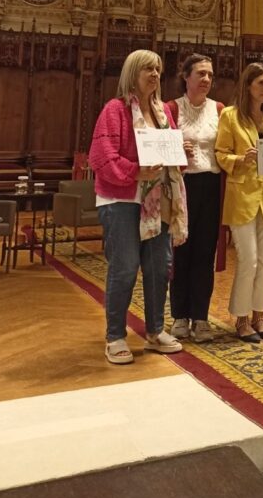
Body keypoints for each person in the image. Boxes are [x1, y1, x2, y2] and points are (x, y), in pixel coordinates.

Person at [88, 50, 187, 365]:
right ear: (132, 73)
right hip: (121, 200)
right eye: (148, 69)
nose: (155, 74)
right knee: (126, 267)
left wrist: (179, 151)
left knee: (159, 267)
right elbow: (101, 158)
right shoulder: (115, 109)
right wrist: (136, 172)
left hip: (157, 199)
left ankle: (155, 331)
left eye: (158, 69)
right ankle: (115, 336)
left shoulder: (163, 112)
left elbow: (169, 158)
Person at [215, 62, 263, 343]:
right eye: (261, 83)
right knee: (249, 260)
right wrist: (240, 159)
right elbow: (220, 153)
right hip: (242, 195)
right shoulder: (231, 115)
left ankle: (259, 316)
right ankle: (241, 318)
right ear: (248, 85)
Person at [165, 54, 223, 344]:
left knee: (204, 253)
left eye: (210, 74)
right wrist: (178, 153)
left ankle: (200, 317)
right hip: (183, 185)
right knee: (181, 251)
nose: (206, 79)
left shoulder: (220, 109)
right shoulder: (172, 108)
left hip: (211, 185)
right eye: (200, 73)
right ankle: (179, 316)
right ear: (185, 76)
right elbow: (160, 149)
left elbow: (225, 149)